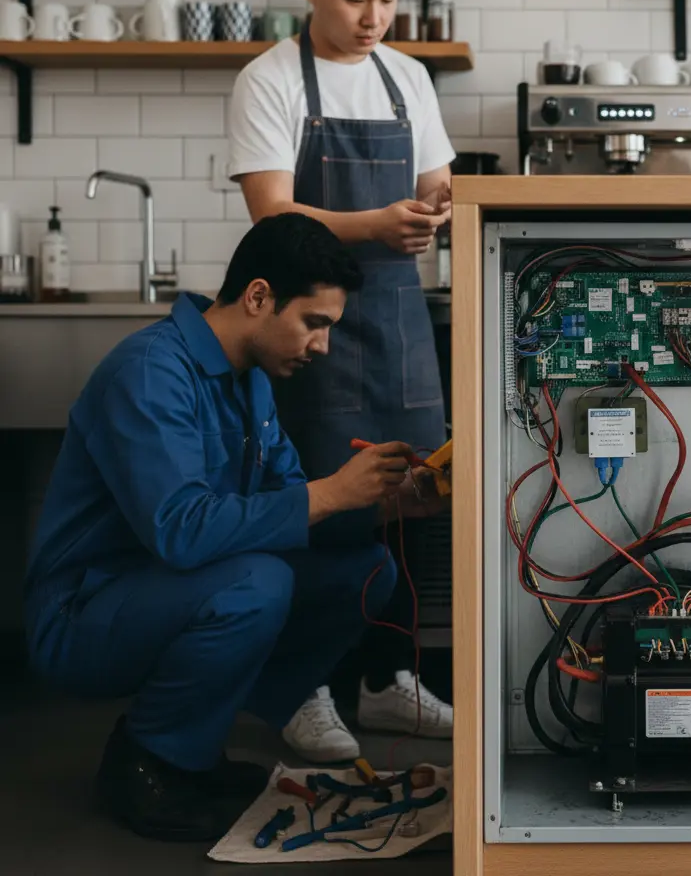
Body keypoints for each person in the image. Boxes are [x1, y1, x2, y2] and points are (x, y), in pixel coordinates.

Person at [22, 213, 434, 843]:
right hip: (84, 613)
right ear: (259, 297)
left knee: (367, 569)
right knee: (256, 583)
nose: (322, 344)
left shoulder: (253, 386)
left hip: (169, 590)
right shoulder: (151, 371)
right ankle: (147, 763)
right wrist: (329, 492)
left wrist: (387, 504)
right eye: (314, 323)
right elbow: (181, 531)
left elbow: (293, 509)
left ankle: (196, 744)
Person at [228, 0, 455, 762]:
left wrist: (434, 209)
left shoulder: (407, 78)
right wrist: (377, 224)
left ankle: (390, 683)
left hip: (396, 318)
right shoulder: (271, 79)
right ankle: (302, 690)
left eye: (389, 1)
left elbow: (437, 181)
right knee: (318, 507)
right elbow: (271, 212)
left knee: (411, 500)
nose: (374, 20)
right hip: (305, 327)